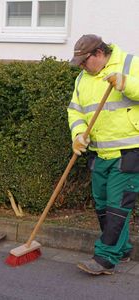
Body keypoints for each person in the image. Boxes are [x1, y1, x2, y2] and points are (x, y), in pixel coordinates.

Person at [68, 34, 139, 275]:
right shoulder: (82, 78)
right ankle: (124, 248)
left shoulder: (130, 63)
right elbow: (75, 111)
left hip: (129, 151)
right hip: (99, 153)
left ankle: (105, 258)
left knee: (117, 205)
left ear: (99, 53)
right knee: (102, 205)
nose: (81, 66)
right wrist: (78, 135)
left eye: (84, 61)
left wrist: (126, 83)